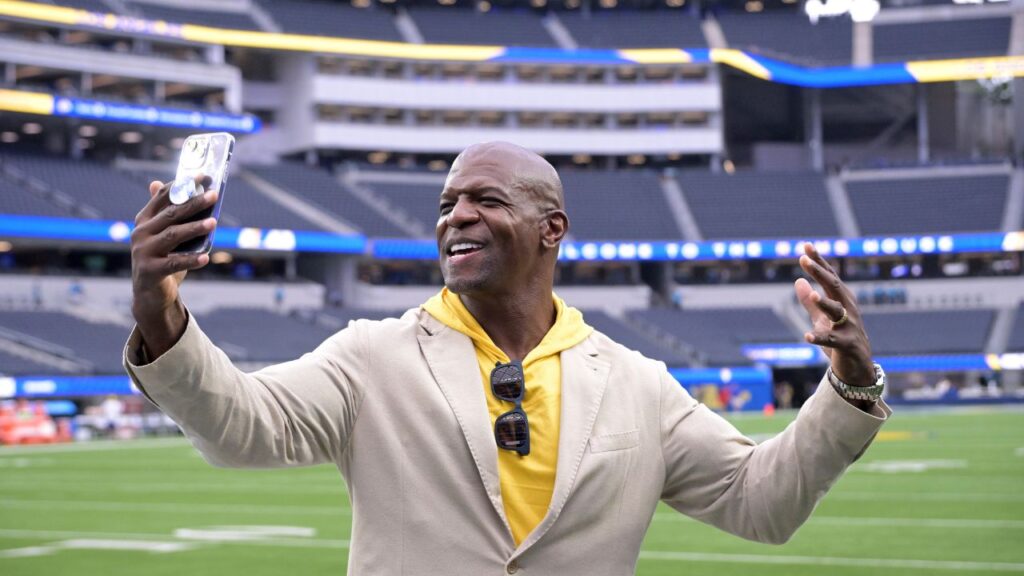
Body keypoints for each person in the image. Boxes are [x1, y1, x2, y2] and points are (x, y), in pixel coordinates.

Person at [124, 142, 889, 575]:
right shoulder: (371, 357)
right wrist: (160, 310)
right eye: (447, 204)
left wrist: (849, 385)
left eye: (486, 200)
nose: (456, 216)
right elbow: (241, 428)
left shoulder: (638, 384)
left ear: (552, 228)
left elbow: (762, 502)